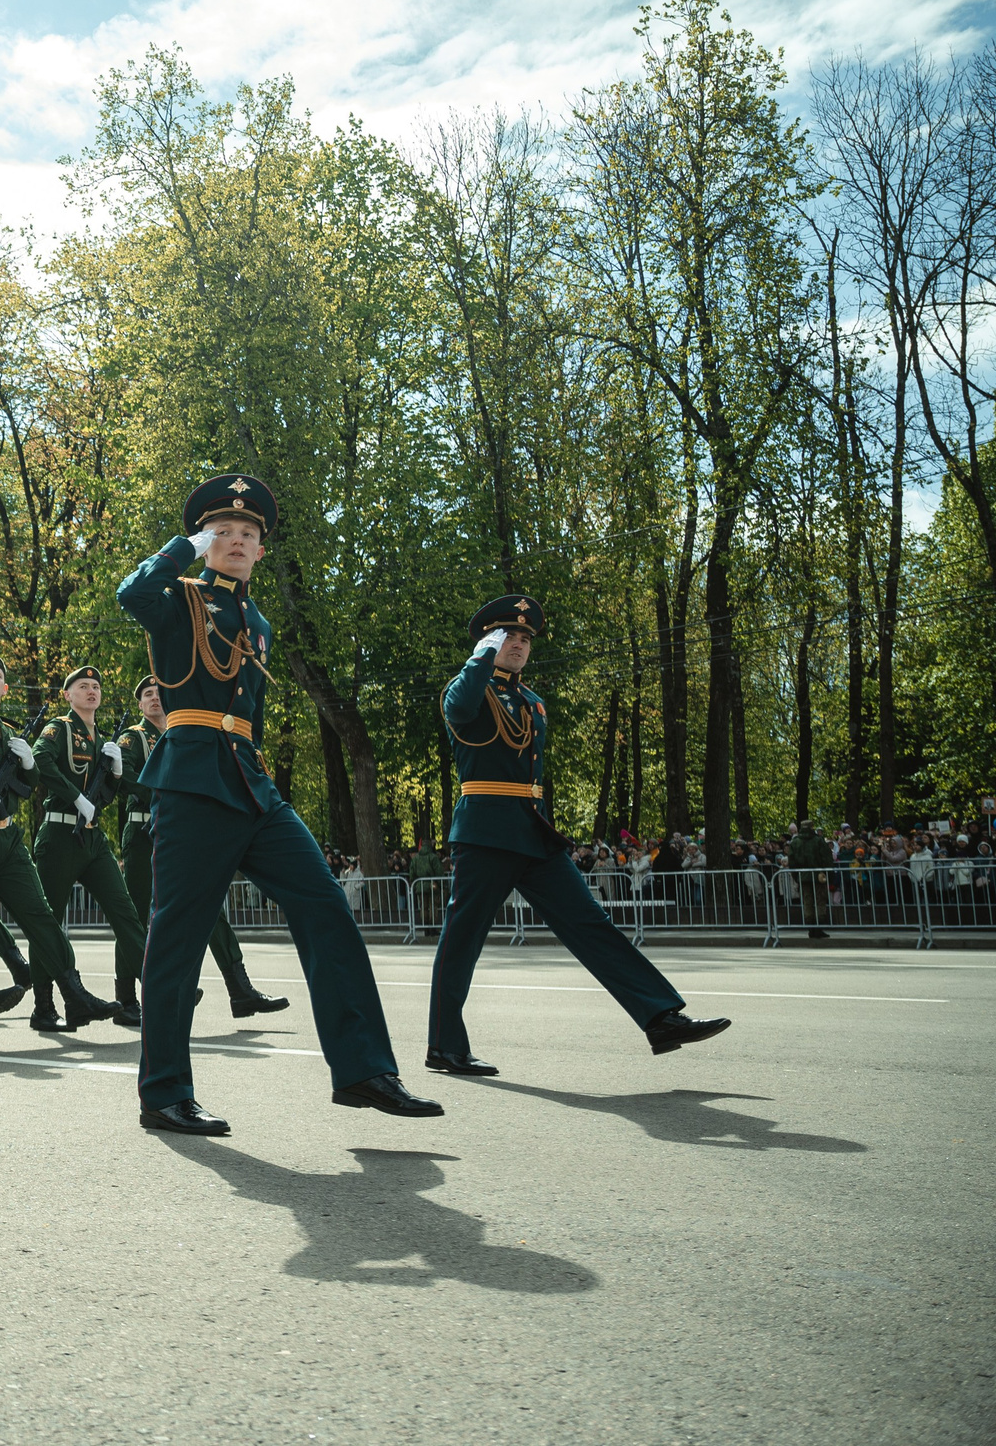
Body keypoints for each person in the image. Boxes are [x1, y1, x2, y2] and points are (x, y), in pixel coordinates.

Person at [115, 472, 439, 1136]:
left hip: (250, 782)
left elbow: (251, 714)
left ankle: (363, 1069)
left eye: (248, 534)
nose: (236, 541)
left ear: (262, 550)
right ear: (206, 540)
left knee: (325, 905)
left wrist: (259, 775)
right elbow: (132, 592)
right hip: (193, 779)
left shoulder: (257, 619)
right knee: (176, 938)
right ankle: (164, 1093)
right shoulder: (180, 596)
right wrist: (184, 545)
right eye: (223, 532)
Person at [423, 594, 729, 1076]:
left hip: (533, 833)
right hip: (484, 834)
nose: (518, 644)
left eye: (525, 639)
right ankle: (444, 1047)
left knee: (592, 924)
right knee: (463, 940)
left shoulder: (532, 702)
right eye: (508, 636)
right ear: (489, 640)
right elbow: (460, 710)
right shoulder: (468, 690)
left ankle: (660, 1017)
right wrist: (482, 654)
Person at [0, 659, 116, 1031]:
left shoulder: (9, 735)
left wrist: (26, 765)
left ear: (6, 689)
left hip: (7, 835)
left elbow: (27, 787)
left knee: (41, 918)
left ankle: (72, 994)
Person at [124, 683, 288, 1022]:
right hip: (144, 832)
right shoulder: (132, 738)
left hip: (183, 829)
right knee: (137, 915)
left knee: (210, 908)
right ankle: (127, 997)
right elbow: (126, 778)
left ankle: (240, 989)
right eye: (148, 695)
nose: (155, 698)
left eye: (159, 692)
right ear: (139, 704)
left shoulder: (185, 733)